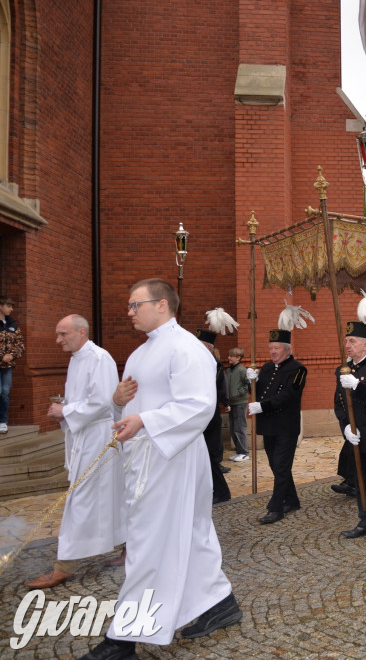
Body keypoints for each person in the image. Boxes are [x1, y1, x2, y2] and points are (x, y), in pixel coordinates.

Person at [79, 279, 240, 660]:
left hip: (173, 458)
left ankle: (123, 639)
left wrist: (146, 421)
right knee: (192, 532)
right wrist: (118, 403)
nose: (129, 312)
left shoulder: (187, 349)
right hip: (145, 458)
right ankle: (218, 602)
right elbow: (133, 401)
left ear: (163, 305)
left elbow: (199, 406)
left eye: (136, 305)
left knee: (148, 542)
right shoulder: (140, 354)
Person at [24, 315, 125, 589]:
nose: (58, 340)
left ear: (82, 332)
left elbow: (104, 402)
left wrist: (66, 410)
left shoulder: (99, 358)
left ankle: (64, 566)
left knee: (79, 498)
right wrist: (65, 411)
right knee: (111, 496)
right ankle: (131, 548)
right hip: (84, 435)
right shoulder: (77, 358)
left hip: (98, 437)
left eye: (62, 334)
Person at [248, 304, 310, 524]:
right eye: (271, 348)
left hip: (286, 426)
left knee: (282, 467)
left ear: (287, 349)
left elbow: (289, 395)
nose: (272, 352)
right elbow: (258, 392)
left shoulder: (298, 370)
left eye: (276, 348)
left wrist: (262, 407)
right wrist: (251, 381)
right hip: (269, 426)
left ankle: (276, 508)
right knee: (276, 466)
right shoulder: (265, 368)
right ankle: (292, 500)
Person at [335, 318, 366, 539]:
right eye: (346, 341)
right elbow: (339, 403)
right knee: (361, 480)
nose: (347, 345)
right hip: (356, 436)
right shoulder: (343, 370)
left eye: (352, 341)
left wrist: (358, 386)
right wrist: (346, 426)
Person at [195, 317, 233, 505]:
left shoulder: (214, 365)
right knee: (202, 457)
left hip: (209, 416)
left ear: (208, 347)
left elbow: (215, 388)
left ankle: (222, 492)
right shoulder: (199, 362)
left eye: (200, 344)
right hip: (200, 415)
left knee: (210, 457)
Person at [0, 296, 24, 434]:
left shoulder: (13, 325)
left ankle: (3, 421)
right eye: (9, 306)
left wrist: (11, 355)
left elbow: (20, 345)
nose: (11, 309)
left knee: (5, 393)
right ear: (1, 306)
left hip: (7, 367)